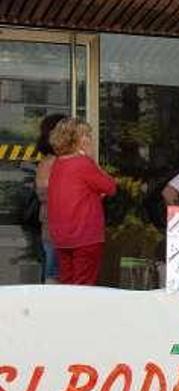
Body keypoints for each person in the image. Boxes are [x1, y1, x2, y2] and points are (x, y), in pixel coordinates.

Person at [47, 117, 117, 285]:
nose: (90, 139)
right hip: (85, 235)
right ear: (75, 140)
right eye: (86, 135)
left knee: (67, 284)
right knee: (83, 286)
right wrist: (92, 159)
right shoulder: (83, 163)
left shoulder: (58, 164)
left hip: (62, 236)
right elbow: (110, 187)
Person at [35, 113, 66, 283]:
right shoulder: (54, 162)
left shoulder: (47, 161)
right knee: (53, 275)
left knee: (52, 271)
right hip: (57, 228)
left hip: (51, 227)